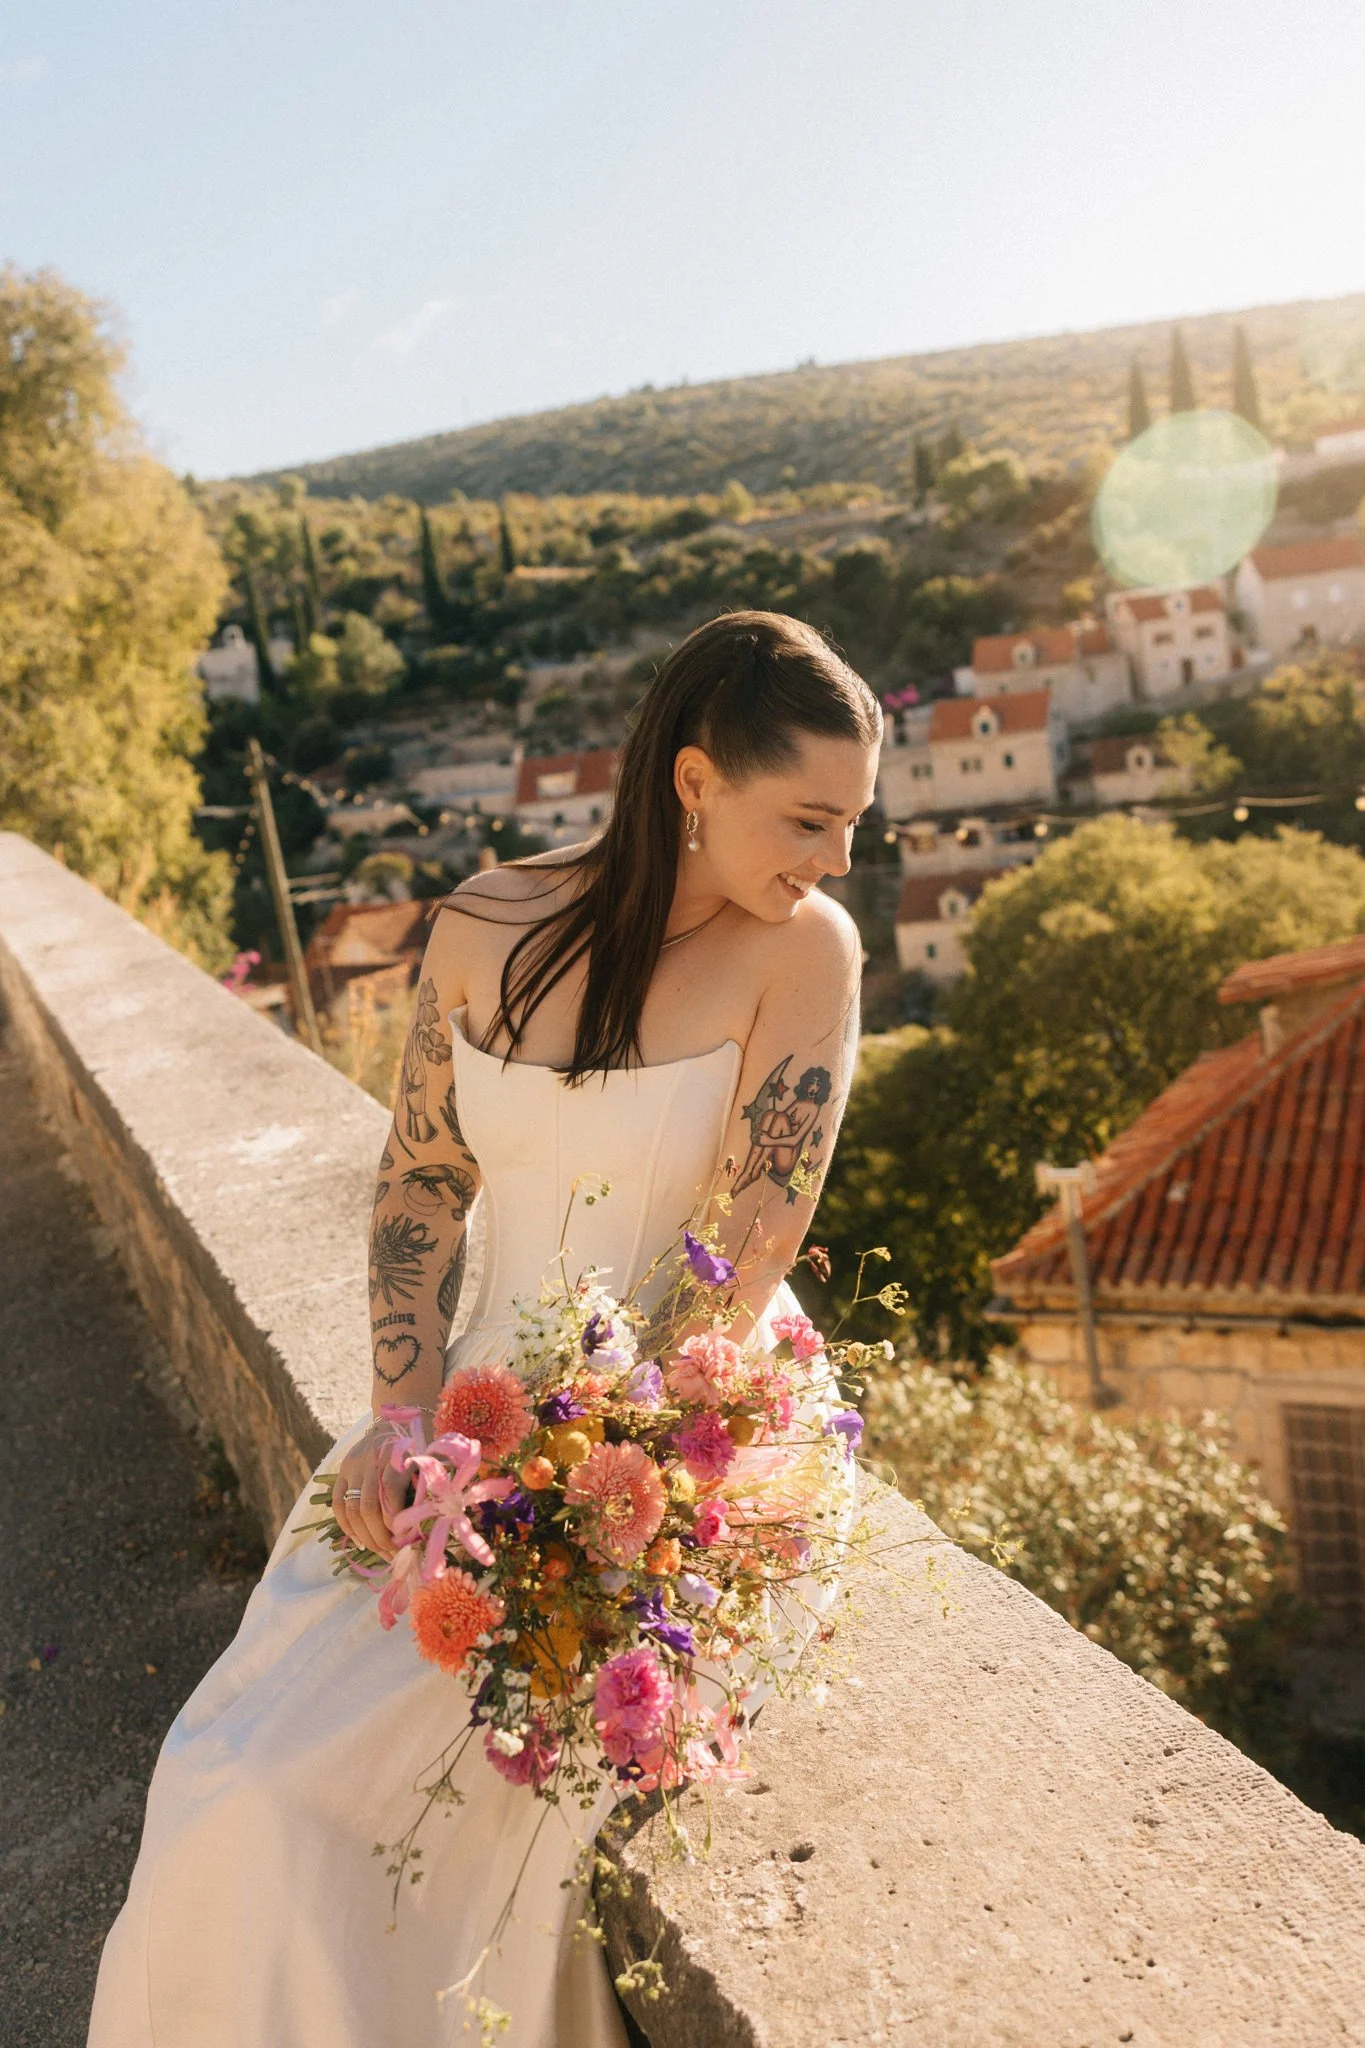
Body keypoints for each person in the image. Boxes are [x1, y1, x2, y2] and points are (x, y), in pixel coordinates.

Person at [87, 609, 881, 2048]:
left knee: (450, 1825)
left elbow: (749, 1250)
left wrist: (593, 1481)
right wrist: (404, 1425)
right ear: (695, 783)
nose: (837, 862)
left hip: (680, 1422)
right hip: (470, 1413)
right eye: (812, 820)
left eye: (852, 827)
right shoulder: (478, 925)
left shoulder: (805, 951)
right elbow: (422, 1190)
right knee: (230, 1780)